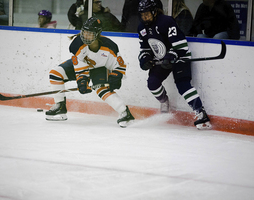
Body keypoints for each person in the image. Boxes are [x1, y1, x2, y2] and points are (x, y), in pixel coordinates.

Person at [46, 17, 135, 127]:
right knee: (56, 73)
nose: (86, 36)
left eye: (90, 33)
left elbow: (119, 66)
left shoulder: (110, 46)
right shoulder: (77, 44)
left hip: (100, 68)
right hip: (83, 67)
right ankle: (60, 107)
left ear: (97, 34)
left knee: (101, 88)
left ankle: (125, 112)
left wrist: (116, 77)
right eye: (84, 32)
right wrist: (82, 81)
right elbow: (80, 67)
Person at [137, 0, 211, 130]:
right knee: (152, 83)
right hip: (162, 60)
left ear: (154, 12)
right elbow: (145, 49)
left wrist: (170, 56)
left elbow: (181, 45)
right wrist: (145, 59)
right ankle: (164, 101)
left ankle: (201, 113)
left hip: (179, 57)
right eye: (142, 15)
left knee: (183, 85)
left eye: (147, 14)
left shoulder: (166, 21)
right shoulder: (141, 28)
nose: (145, 17)